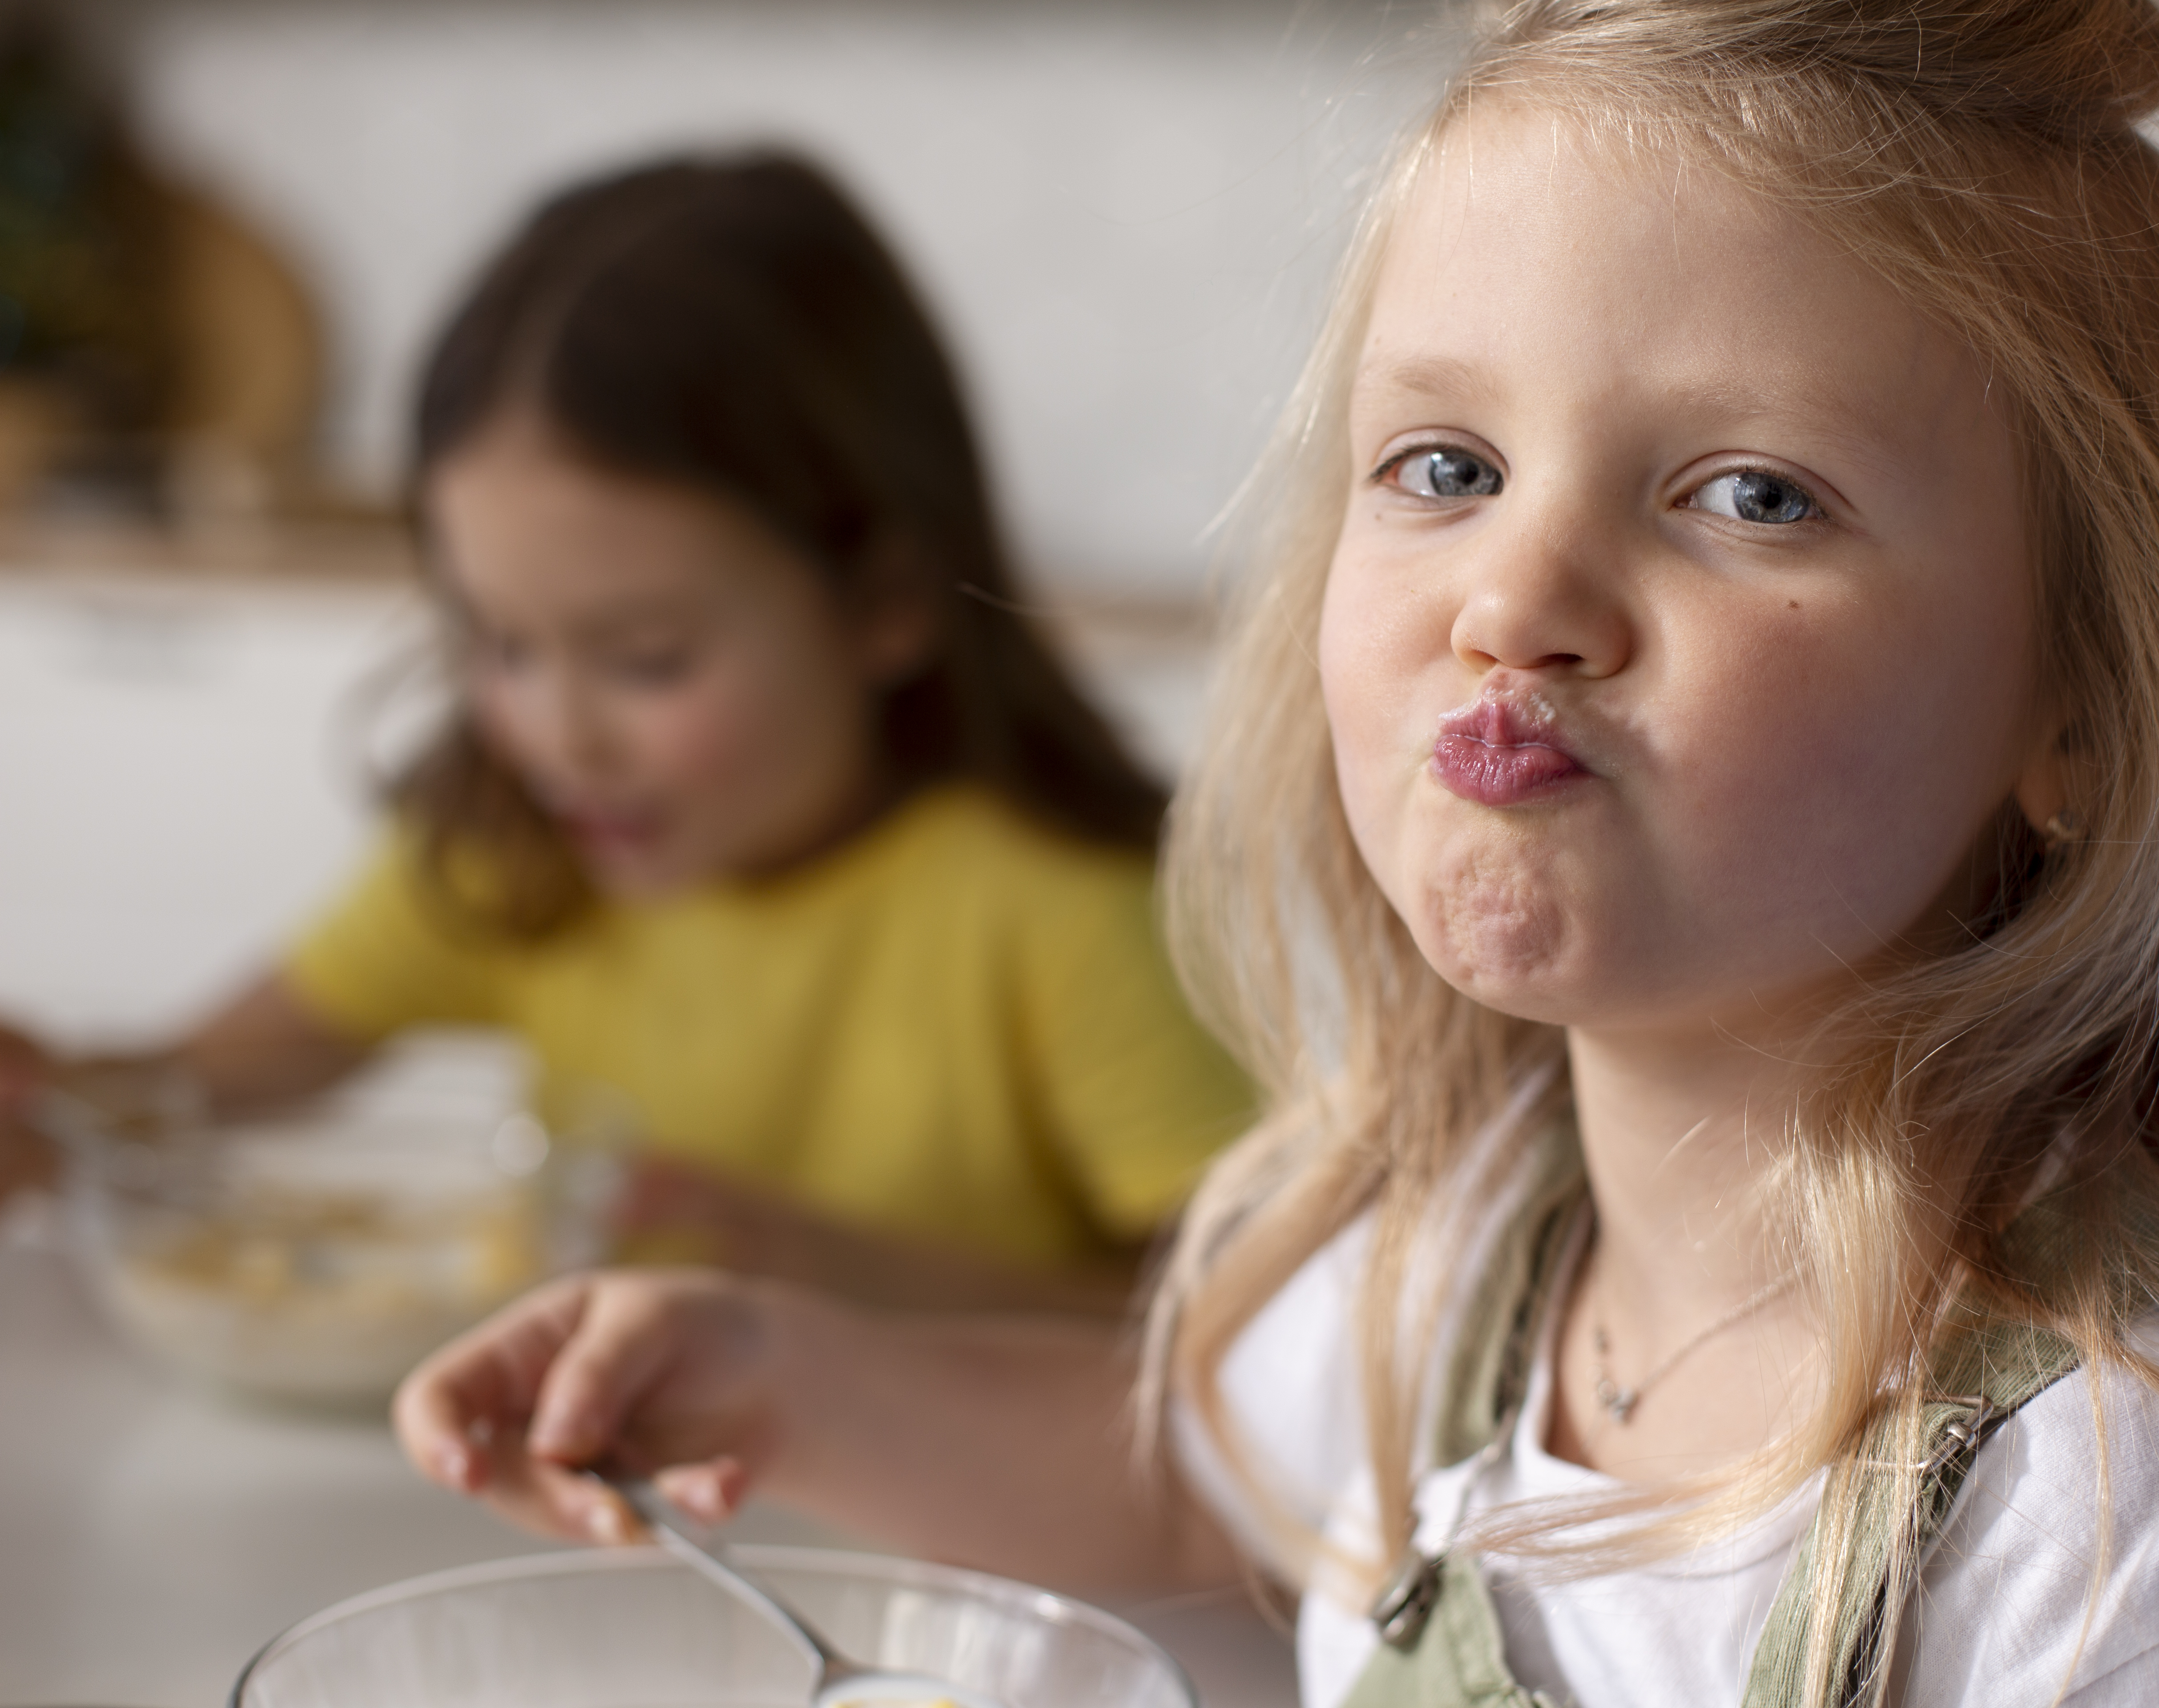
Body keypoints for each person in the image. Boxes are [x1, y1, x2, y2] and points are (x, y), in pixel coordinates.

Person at [393, 5, 2159, 1704]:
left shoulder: (2144, 1517)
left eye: (1751, 496)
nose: (1514, 596)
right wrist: (776, 1372)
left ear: (2074, 707)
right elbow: (1200, 1483)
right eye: (1443, 463)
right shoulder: (1484, 1249)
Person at [0, 154, 1254, 1312]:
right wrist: (53, 1103)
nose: (557, 735)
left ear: (884, 600)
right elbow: (214, 1077)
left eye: (644, 659)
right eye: (499, 645)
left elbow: (1239, 1316)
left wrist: (815, 1276)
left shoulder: (1062, 913)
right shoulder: (519, 848)